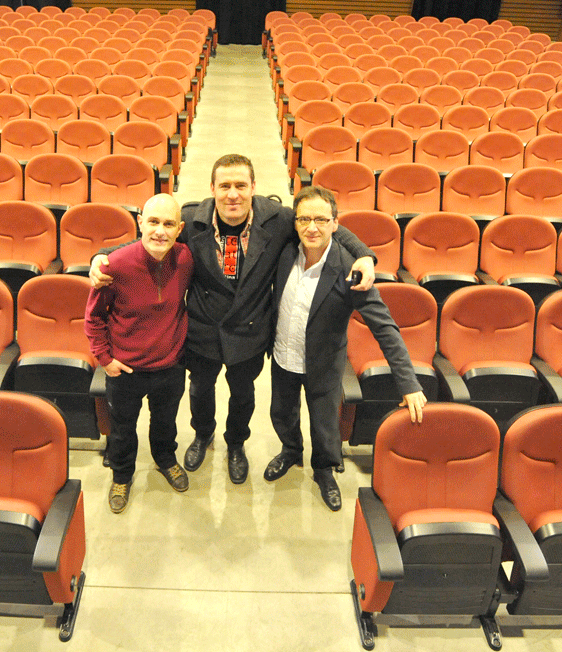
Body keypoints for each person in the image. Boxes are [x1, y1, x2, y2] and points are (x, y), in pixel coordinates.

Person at [90, 154, 377, 485]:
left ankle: (236, 444)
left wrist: (365, 255)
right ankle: (202, 436)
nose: (233, 194)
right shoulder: (189, 220)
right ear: (212, 189)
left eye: (241, 185)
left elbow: (324, 225)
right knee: (200, 390)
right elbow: (153, 237)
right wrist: (103, 255)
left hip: (249, 331)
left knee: (243, 395)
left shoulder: (278, 220)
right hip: (202, 330)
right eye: (224, 186)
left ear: (254, 188)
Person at [266, 186, 427, 511]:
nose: (312, 227)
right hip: (283, 356)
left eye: (321, 220)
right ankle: (291, 450)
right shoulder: (285, 250)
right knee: (281, 412)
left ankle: (324, 471)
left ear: (335, 224)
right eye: (305, 219)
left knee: (325, 425)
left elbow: (384, 327)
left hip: (323, 364)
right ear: (295, 223)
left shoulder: (350, 270)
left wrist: (408, 384)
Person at [84, 194, 194, 514]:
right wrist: (105, 359)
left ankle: (165, 459)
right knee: (122, 429)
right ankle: (121, 474)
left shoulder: (185, 259)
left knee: (165, 423)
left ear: (179, 229)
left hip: (170, 367)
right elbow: (94, 317)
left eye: (169, 224)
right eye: (154, 222)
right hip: (126, 369)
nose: (160, 231)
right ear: (140, 223)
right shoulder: (114, 265)